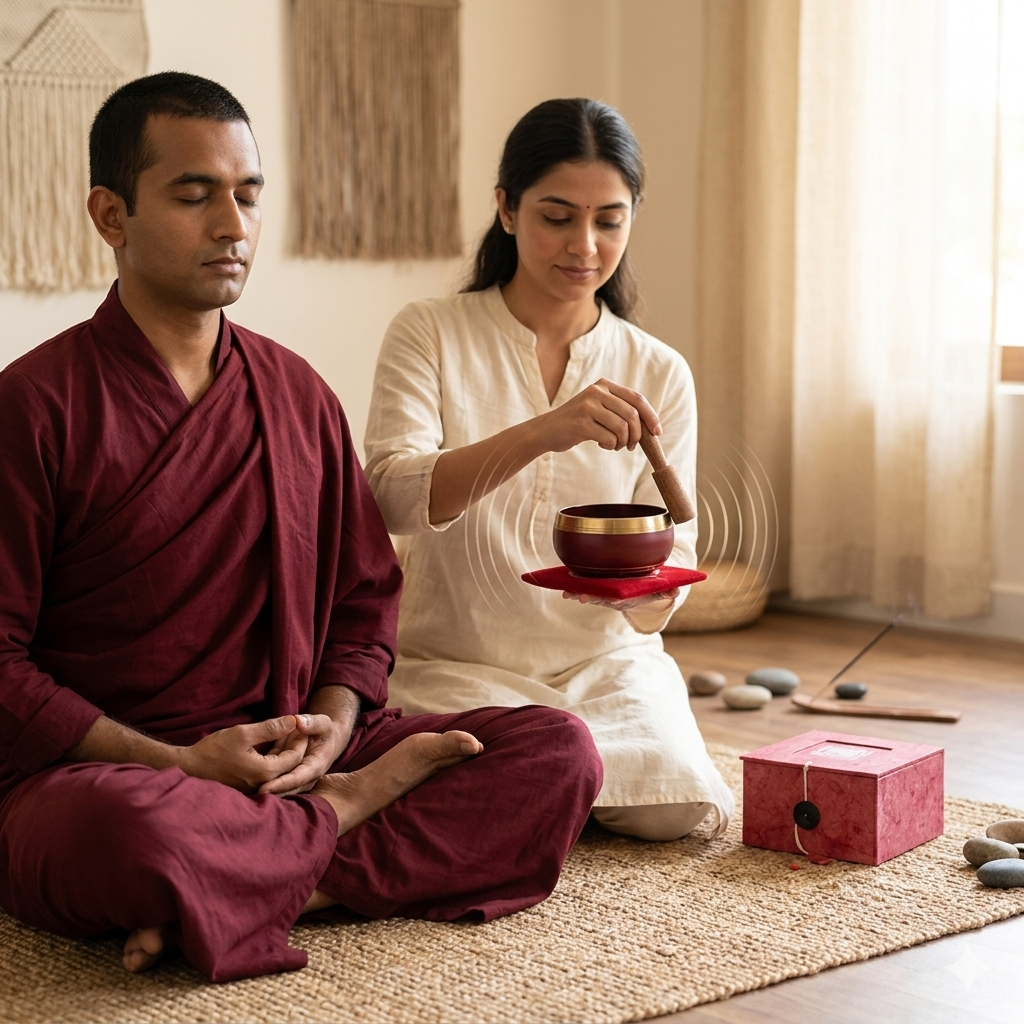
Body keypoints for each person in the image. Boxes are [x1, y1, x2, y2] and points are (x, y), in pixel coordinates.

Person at [0, 74, 603, 983]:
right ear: (110, 215)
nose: (233, 225)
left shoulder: (294, 394)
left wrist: (330, 728)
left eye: (247, 195)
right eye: (194, 194)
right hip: (119, 770)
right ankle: (325, 828)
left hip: (294, 753)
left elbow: (363, 603)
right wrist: (178, 762)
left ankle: (264, 879)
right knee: (129, 837)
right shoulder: (35, 406)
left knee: (556, 751)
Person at [364, 98, 733, 843]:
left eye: (610, 219)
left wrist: (640, 592)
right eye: (557, 216)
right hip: (455, 661)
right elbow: (390, 499)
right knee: (478, 758)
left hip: (602, 667)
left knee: (674, 809)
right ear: (506, 208)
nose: (585, 245)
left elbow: (671, 578)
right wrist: (542, 433)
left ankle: (537, 795)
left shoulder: (658, 369)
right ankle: (551, 791)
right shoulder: (429, 331)